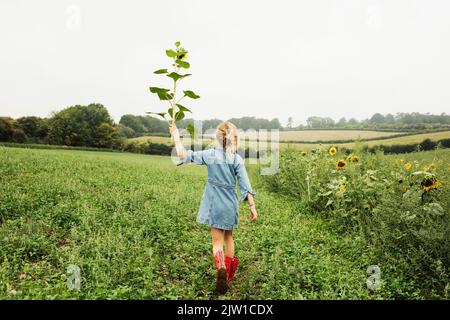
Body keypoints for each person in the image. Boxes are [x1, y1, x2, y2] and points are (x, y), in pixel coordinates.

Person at [169, 121, 258, 294]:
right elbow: (245, 185)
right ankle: (229, 277)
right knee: (229, 238)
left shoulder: (210, 154)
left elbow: (182, 155)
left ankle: (221, 268)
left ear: (217, 139)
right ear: (235, 140)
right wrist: (252, 207)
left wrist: (176, 135)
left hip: (214, 204)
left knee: (217, 244)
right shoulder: (237, 159)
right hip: (230, 204)